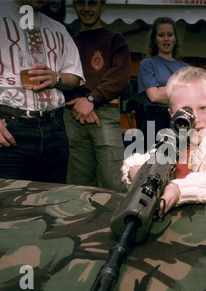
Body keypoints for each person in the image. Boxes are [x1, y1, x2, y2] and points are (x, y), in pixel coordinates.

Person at [0, 0, 85, 183]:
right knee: (7, 208)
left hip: (54, 129)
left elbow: (74, 76)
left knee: (51, 206)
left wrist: (56, 78)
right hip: (6, 128)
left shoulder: (57, 28)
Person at [122, 66, 206, 214]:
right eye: (186, 111)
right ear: (172, 114)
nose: (195, 119)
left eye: (203, 108)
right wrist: (135, 171)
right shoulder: (175, 138)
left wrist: (179, 190)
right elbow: (141, 160)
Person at [63, 0, 130, 192]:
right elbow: (64, 76)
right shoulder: (70, 41)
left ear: (102, 6)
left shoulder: (115, 39)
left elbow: (120, 76)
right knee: (78, 185)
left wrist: (91, 99)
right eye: (81, 3)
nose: (86, 8)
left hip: (105, 114)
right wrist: (81, 104)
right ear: (74, 6)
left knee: (114, 182)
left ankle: (114, 222)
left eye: (92, 3)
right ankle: (81, 221)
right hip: (74, 115)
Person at [137, 17, 189, 150]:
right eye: (161, 35)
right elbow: (153, 96)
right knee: (151, 166)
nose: (166, 39)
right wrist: (180, 91)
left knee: (178, 165)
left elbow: (190, 98)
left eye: (170, 35)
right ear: (155, 39)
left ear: (175, 38)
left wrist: (161, 90)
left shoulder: (185, 68)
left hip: (179, 122)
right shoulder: (147, 64)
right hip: (153, 122)